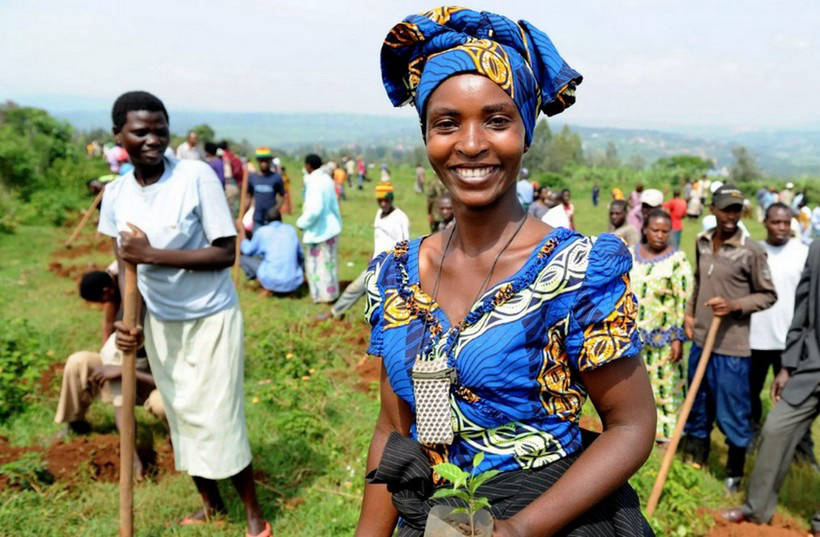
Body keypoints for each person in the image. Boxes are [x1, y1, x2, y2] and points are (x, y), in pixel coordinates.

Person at [358, 9, 656, 536]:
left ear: (526, 132)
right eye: (446, 123)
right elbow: (391, 430)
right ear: (426, 135)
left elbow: (631, 426)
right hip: (432, 520)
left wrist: (518, 529)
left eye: (497, 120)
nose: (471, 143)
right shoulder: (396, 275)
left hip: (551, 519)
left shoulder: (576, 271)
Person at [99, 91, 268, 536]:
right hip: (162, 322)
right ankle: (211, 504)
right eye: (140, 132)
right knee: (181, 415)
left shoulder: (195, 176)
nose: (153, 140)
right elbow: (124, 267)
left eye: (160, 130)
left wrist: (151, 254)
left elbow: (224, 253)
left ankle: (255, 517)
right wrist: (129, 323)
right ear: (118, 136)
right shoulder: (116, 194)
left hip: (211, 317)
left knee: (219, 418)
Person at [682, 184, 777, 493]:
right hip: (701, 340)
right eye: (725, 210)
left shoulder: (751, 251)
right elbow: (699, 281)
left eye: (736, 210)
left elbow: (767, 294)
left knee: (733, 411)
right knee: (698, 403)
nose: (731, 216)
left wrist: (735, 305)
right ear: (713, 210)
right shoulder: (702, 241)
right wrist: (690, 313)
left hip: (731, 347)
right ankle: (696, 459)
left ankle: (734, 473)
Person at [721, 239, 820, 536]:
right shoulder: (817, 248)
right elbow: (803, 310)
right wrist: (788, 365)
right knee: (775, 429)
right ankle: (757, 510)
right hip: (811, 368)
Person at [747, 203, 815, 461]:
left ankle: (803, 452)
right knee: (750, 395)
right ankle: (750, 440)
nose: (782, 228)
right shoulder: (754, 251)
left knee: (797, 397)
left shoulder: (803, 253)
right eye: (776, 222)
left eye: (786, 223)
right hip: (755, 339)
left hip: (792, 342)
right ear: (765, 222)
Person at [630, 209, 693, 443]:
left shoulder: (677, 261)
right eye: (655, 230)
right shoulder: (631, 254)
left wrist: (678, 338)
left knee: (665, 388)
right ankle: (641, 434)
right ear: (645, 229)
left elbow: (683, 301)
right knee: (637, 389)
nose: (660, 235)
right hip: (633, 339)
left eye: (665, 232)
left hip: (664, 340)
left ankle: (667, 438)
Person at [318, 182, 409, 320]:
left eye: (386, 200)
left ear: (392, 199)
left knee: (391, 299)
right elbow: (379, 239)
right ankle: (335, 312)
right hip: (376, 265)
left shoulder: (400, 218)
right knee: (354, 289)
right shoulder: (379, 213)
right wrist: (372, 256)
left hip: (391, 267)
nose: (383, 203)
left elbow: (405, 246)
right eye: (380, 200)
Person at [297, 153, 342, 304]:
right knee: (329, 265)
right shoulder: (327, 179)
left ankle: (320, 296)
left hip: (318, 232)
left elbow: (315, 209)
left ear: (308, 166)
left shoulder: (314, 181)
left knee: (316, 267)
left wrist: (302, 223)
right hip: (331, 229)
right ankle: (331, 294)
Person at [239, 206, 303, 295]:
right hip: (293, 281)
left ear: (266, 221)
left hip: (271, 280)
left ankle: (261, 282)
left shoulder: (262, 232)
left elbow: (247, 250)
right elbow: (300, 255)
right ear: (281, 219)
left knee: (243, 259)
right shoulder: (291, 230)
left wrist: (242, 232)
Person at [242, 147, 285, 233]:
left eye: (266, 160)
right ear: (258, 161)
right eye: (261, 160)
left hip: (272, 220)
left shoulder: (276, 178)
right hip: (258, 219)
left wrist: (275, 209)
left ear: (270, 161)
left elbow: (282, 196)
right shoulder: (253, 177)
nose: (264, 163)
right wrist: (242, 215)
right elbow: (248, 197)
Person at [218, 140, 244, 215]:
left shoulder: (224, 156)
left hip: (229, 184)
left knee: (226, 211)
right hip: (236, 185)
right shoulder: (233, 155)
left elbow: (228, 174)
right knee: (231, 209)